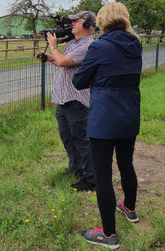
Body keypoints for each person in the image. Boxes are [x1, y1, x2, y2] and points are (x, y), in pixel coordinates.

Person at [72, 2, 142, 249]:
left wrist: (97, 79)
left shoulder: (99, 47)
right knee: (126, 165)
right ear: (124, 19)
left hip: (104, 119)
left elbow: (79, 80)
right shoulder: (136, 45)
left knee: (103, 176)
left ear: (102, 21)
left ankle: (108, 234)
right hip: (130, 115)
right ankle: (130, 209)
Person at [38, 11, 97, 191]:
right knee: (67, 137)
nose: (71, 23)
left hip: (76, 100)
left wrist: (53, 47)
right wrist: (49, 57)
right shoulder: (72, 43)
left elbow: (63, 61)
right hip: (63, 99)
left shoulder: (88, 45)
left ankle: (91, 179)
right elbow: (63, 62)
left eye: (75, 21)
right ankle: (76, 168)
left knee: (81, 139)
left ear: (87, 25)